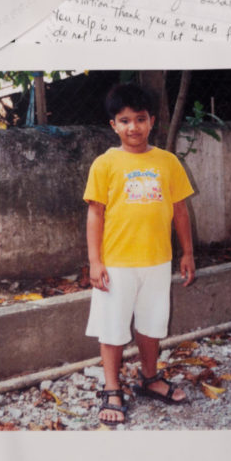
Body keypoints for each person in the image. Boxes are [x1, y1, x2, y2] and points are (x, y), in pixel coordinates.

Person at [84, 83, 195, 427]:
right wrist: (95, 261)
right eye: (125, 120)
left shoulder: (167, 162)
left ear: (153, 122)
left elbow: (180, 211)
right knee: (113, 328)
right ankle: (112, 388)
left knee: (151, 324)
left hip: (158, 262)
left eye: (140, 119)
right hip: (116, 265)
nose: (133, 127)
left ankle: (150, 378)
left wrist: (187, 253)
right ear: (113, 125)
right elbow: (95, 214)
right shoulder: (105, 164)